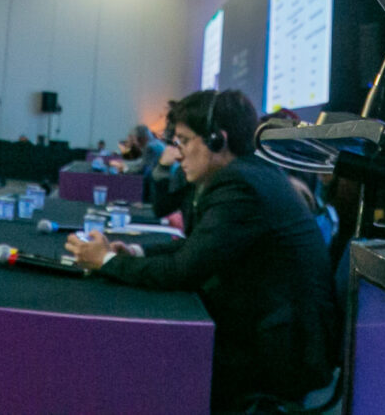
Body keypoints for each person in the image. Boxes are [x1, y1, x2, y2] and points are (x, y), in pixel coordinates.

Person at [67, 89, 338, 411]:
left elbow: (184, 270)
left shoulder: (240, 185)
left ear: (217, 140)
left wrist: (107, 260)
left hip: (277, 354)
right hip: (272, 332)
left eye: (183, 140)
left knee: (149, 356)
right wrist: (135, 253)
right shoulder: (249, 174)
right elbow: (198, 247)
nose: (178, 153)